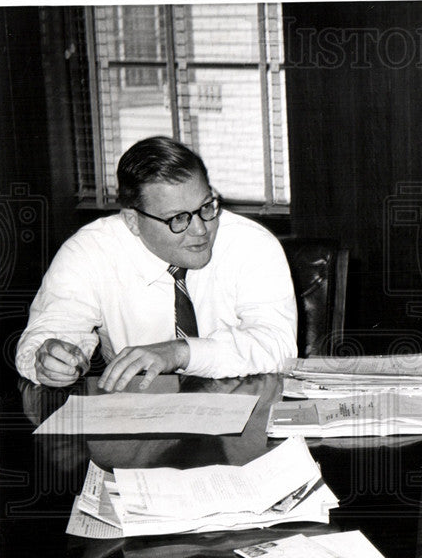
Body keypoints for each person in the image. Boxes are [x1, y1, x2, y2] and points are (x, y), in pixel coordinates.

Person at [15, 136, 298, 392]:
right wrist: (53, 358)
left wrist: (180, 352)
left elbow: (277, 346)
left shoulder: (252, 244)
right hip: (138, 423)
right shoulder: (91, 250)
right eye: (178, 218)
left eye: (206, 206)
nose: (200, 229)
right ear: (132, 221)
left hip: (242, 418)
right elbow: (51, 330)